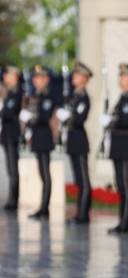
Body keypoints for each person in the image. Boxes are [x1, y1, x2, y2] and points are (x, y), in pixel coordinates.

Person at [102, 63, 128, 234]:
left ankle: (126, 222)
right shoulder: (122, 99)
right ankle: (122, 221)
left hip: (125, 143)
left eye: (124, 76)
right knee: (120, 184)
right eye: (121, 76)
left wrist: (110, 122)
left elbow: (125, 122)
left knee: (125, 183)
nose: (121, 79)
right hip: (118, 144)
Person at [59, 61, 93, 223]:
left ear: (84, 78)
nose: (73, 77)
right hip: (73, 140)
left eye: (77, 75)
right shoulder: (74, 96)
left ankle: (83, 214)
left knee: (83, 180)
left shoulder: (84, 97)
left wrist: (68, 118)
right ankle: (80, 212)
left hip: (79, 140)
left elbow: (79, 119)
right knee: (78, 180)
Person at [21, 65, 55, 219]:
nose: (36, 80)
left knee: (45, 173)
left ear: (46, 80)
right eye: (35, 77)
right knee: (41, 172)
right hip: (37, 136)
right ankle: (42, 207)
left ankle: (45, 208)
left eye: (39, 77)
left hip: (44, 136)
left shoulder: (47, 97)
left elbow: (44, 117)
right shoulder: (35, 96)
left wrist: (30, 120)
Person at [1, 65, 22, 211]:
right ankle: (11, 199)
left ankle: (14, 200)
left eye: (7, 75)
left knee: (13, 169)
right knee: (10, 168)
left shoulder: (17, 93)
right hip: (6, 134)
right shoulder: (9, 93)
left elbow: (8, 113)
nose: (4, 77)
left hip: (12, 135)